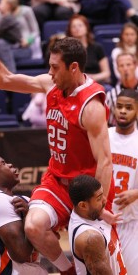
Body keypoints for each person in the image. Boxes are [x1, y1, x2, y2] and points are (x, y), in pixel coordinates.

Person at [0, 16, 114, 274]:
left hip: (84, 189)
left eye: (55, 67)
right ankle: (67, 271)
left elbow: (105, 162)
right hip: (55, 181)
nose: (50, 73)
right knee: (33, 227)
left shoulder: (92, 106)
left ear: (73, 67)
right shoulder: (50, 85)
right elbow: (5, 80)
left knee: (94, 252)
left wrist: (100, 206)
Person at [0, 154, 48, 275]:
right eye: (3, 163)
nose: (10, 164)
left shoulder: (18, 200)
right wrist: (29, 218)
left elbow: (51, 237)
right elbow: (21, 254)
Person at [68, 174, 127, 275]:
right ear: (83, 205)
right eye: (99, 198)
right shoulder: (90, 238)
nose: (104, 200)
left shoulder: (90, 213)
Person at [109, 89, 138, 275]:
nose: (123, 111)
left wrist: (136, 193)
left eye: (129, 107)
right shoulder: (103, 135)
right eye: (119, 106)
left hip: (130, 221)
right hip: (102, 219)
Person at [0, 0, 42, 73]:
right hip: (7, 46)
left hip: (22, 46)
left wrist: (28, 40)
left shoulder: (26, 10)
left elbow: (36, 31)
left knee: (1, 51)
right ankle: (9, 76)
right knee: (1, 45)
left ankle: (9, 75)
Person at [66, 14, 112, 92]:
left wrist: (92, 77)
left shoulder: (97, 47)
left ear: (86, 28)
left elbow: (106, 73)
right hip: (75, 84)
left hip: (95, 81)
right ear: (70, 30)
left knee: (108, 89)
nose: (77, 28)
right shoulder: (67, 50)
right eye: (74, 26)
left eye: (80, 25)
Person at [106, 52, 138, 126]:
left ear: (135, 65)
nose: (125, 69)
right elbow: (109, 123)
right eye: (121, 66)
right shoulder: (111, 95)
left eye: (128, 64)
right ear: (117, 68)